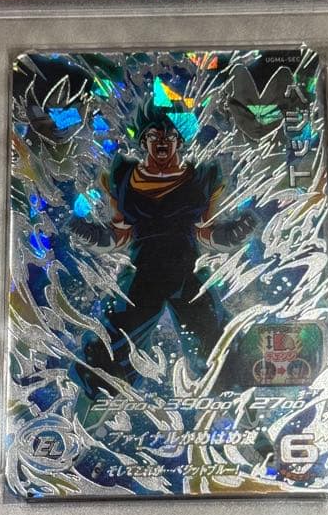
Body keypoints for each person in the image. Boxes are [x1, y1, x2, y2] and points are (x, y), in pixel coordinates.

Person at [69, 101, 256, 399]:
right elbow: (119, 236)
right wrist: (90, 234)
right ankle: (96, 400)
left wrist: (233, 233)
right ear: (143, 141)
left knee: (213, 343)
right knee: (114, 346)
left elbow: (205, 232)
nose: (162, 142)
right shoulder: (125, 178)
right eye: (154, 135)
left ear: (179, 142)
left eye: (169, 136)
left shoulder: (199, 178)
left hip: (186, 274)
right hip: (144, 277)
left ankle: (234, 398)